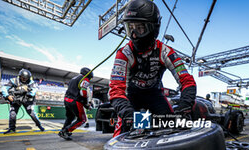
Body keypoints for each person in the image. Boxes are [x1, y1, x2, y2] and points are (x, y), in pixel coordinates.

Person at [109, 0, 196, 137]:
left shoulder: (166, 52)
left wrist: (184, 106)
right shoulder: (124, 53)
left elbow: (187, 81)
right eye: (130, 28)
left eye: (139, 28)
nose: (134, 35)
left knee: (175, 129)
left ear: (153, 28)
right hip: (132, 99)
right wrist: (128, 114)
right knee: (121, 138)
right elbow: (116, 90)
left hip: (155, 97)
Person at [1, 69, 45, 134]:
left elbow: (35, 89)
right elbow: (4, 88)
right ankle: (12, 129)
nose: (25, 79)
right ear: (20, 76)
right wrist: (7, 96)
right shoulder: (14, 80)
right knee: (12, 113)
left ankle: (39, 125)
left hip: (26, 99)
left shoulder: (31, 82)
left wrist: (30, 94)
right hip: (16, 99)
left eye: (26, 78)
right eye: (23, 78)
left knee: (32, 114)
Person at [58, 67, 93, 140]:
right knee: (82, 119)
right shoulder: (85, 78)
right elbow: (83, 93)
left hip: (67, 99)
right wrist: (86, 104)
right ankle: (65, 131)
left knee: (70, 117)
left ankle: (63, 130)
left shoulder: (73, 78)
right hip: (75, 101)